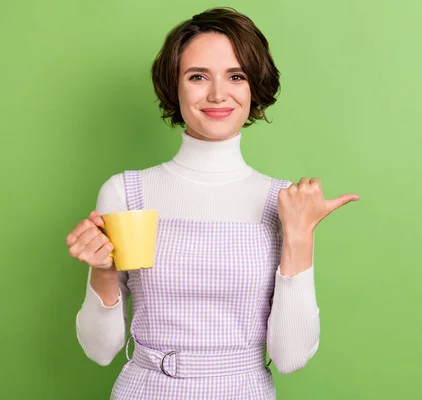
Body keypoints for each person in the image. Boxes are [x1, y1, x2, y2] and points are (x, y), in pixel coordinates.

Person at [65, 7, 359, 400]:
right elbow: (101, 351)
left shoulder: (283, 201)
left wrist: (299, 236)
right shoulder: (126, 193)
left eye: (235, 76)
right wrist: (102, 271)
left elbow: (289, 358)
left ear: (254, 86)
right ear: (175, 86)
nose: (218, 94)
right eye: (198, 76)